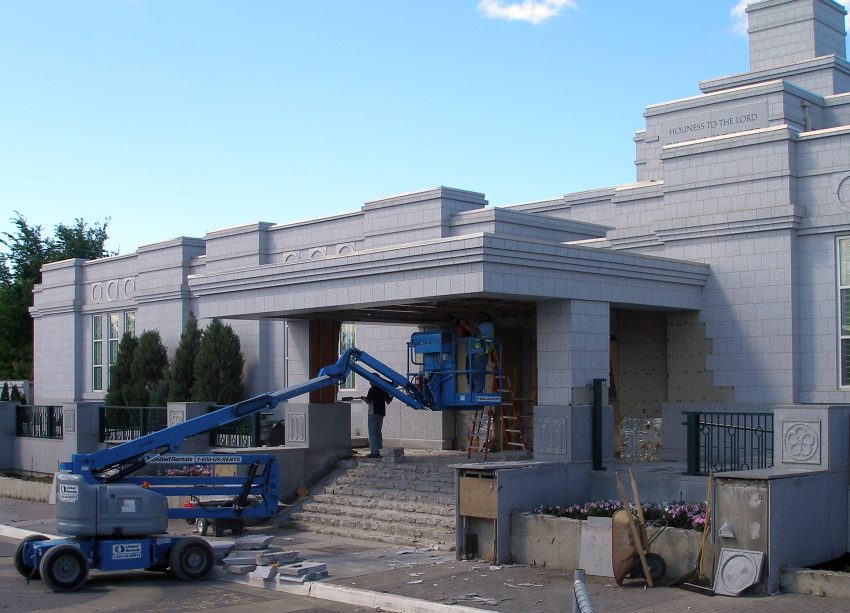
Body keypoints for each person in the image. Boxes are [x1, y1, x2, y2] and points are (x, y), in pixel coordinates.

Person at [459, 311, 494, 394]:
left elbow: (475, 332)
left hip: (479, 355)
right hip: (471, 355)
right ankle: (473, 396)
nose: (479, 317)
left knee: (477, 376)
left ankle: (476, 398)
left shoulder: (487, 325)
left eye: (481, 316)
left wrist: (464, 324)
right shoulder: (480, 326)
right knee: (470, 376)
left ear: (487, 317)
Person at [361, 383, 393, 458]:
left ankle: (374, 452)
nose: (369, 383)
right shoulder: (383, 389)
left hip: (373, 413)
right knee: (378, 432)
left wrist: (363, 398)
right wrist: (393, 395)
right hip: (381, 413)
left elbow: (368, 401)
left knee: (373, 433)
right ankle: (380, 450)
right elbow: (388, 402)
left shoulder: (372, 390)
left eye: (370, 381)